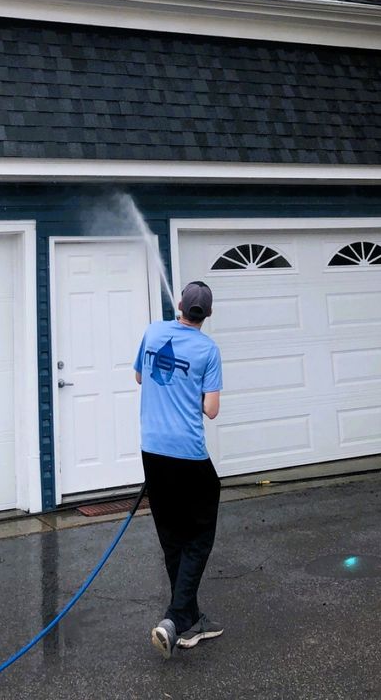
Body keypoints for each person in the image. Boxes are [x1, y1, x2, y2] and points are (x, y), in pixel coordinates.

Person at [134, 279, 223, 659]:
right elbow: (211, 409)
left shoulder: (154, 332)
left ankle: (189, 617)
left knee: (173, 538)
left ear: (180, 306)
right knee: (199, 536)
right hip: (188, 455)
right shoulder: (208, 349)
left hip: (152, 452)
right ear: (208, 315)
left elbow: (140, 376)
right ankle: (175, 619)